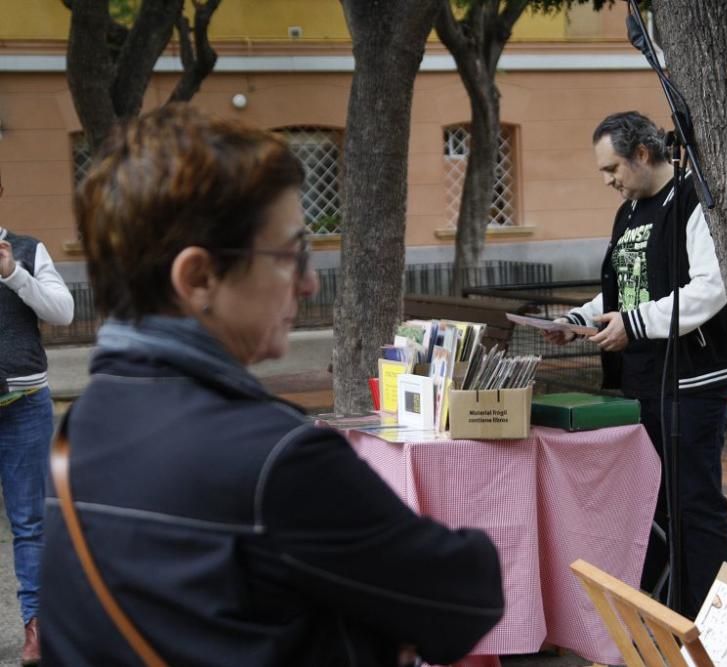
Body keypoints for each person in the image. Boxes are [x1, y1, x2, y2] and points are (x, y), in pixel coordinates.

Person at [39, 105, 504, 666]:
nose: (308, 282)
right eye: (290, 254)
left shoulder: (79, 428)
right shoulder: (278, 460)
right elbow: (467, 597)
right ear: (199, 278)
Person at [545, 111, 727, 619]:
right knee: (653, 504)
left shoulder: (692, 201)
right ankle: (666, 608)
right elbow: (623, 290)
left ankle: (714, 619)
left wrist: (633, 322)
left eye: (613, 169)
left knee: (695, 501)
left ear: (644, 154)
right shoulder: (629, 211)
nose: (609, 181)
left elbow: (710, 289)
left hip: (693, 381)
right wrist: (579, 318)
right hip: (642, 380)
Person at [0, 183, 75, 666]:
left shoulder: (26, 249)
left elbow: (64, 312)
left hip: (24, 404)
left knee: (29, 522)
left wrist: (13, 274)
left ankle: (37, 628)